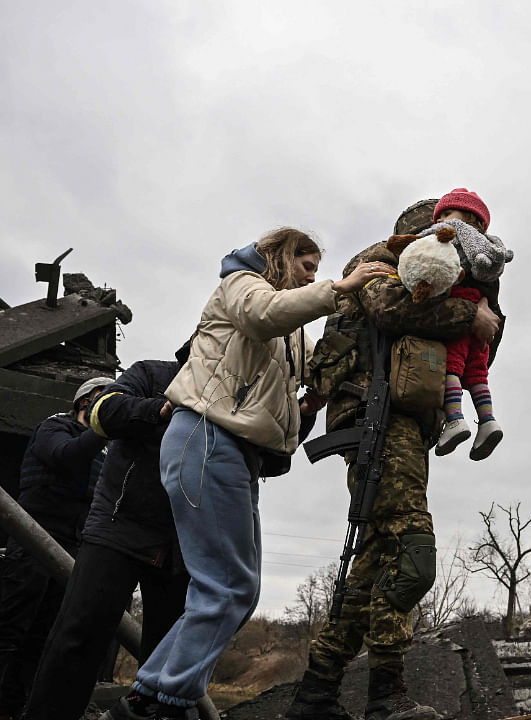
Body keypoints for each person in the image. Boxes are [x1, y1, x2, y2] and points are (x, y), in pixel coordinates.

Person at [102, 228, 391, 720]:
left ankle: (147, 696)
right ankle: (160, 703)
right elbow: (263, 315)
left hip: (235, 451)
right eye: (306, 265)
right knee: (226, 585)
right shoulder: (240, 284)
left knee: (239, 588)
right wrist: (344, 287)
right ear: (281, 257)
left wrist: (312, 402)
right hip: (206, 436)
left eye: (319, 271)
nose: (314, 276)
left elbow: (276, 403)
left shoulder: (292, 331)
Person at [285, 200, 502, 720]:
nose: (460, 236)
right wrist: (470, 313)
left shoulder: (458, 276)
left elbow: (485, 346)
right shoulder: (379, 263)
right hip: (371, 414)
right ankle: (386, 697)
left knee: (373, 566)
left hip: (407, 425)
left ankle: (315, 695)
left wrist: (480, 306)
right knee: (412, 551)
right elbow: (389, 309)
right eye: (453, 227)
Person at [21, 346, 191, 720]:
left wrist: (301, 416)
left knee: (167, 659)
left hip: (184, 542)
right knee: (77, 638)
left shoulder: (237, 391)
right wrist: (159, 408)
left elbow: (273, 458)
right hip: (118, 525)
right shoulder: (150, 374)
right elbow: (108, 409)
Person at [0, 376, 114, 720]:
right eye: (107, 399)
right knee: (11, 629)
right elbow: (63, 458)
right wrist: (103, 431)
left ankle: (11, 712)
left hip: (73, 546)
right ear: (85, 401)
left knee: (40, 638)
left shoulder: (105, 452)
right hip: (36, 537)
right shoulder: (54, 427)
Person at [420, 189, 513, 460]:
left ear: (471, 218)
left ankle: (455, 419)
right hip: (484, 325)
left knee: (452, 368)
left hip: (460, 315)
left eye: (448, 213)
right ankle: (488, 421)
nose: (441, 221)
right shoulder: (491, 249)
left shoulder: (450, 237)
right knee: (477, 374)